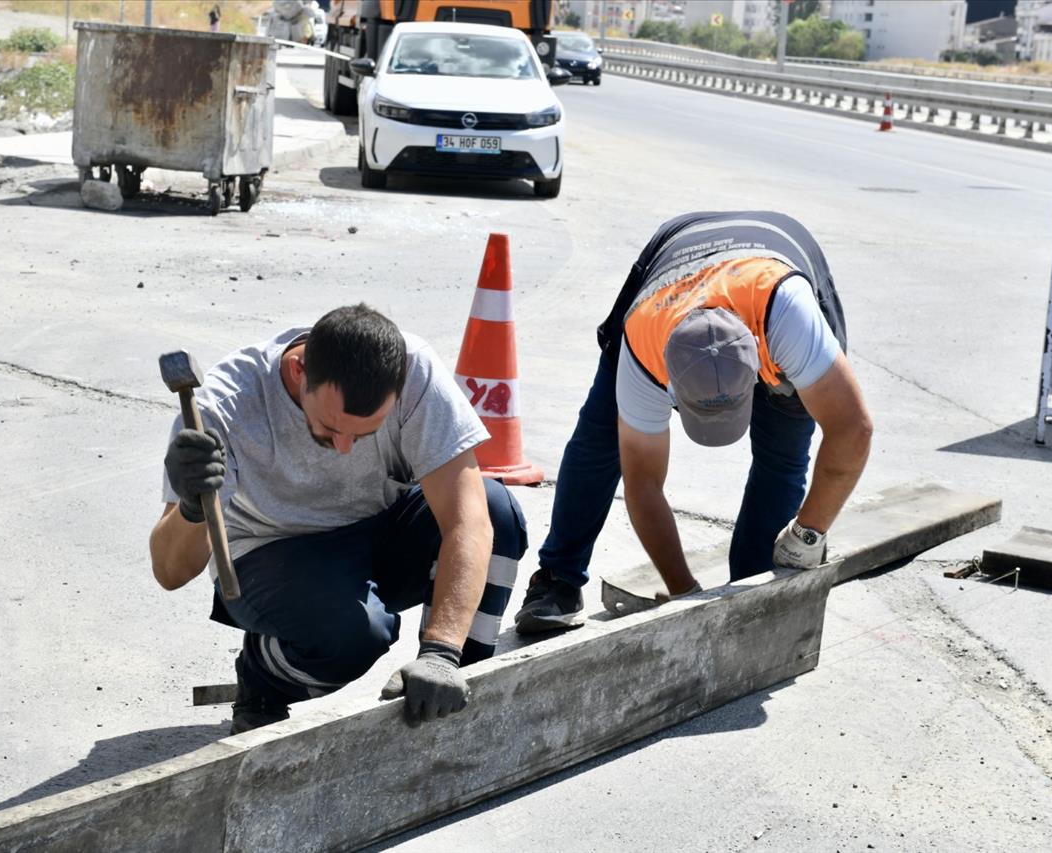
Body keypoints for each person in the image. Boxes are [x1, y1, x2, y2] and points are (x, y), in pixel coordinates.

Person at [150, 305, 526, 731]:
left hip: (375, 527)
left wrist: (442, 652)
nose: (345, 447)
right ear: (298, 371)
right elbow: (170, 571)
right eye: (330, 428)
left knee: (498, 512)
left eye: (364, 433)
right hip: (271, 553)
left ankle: (456, 690)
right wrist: (192, 508)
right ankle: (263, 677)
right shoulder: (221, 409)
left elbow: (468, 519)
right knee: (354, 636)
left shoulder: (414, 371)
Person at [514, 211, 872, 633]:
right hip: (673, 261)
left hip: (776, 258)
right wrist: (685, 593)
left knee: (783, 456)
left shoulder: (791, 323)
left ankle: (757, 587)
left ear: (760, 362)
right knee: (600, 435)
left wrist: (808, 534)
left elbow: (853, 430)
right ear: (670, 384)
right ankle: (558, 577)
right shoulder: (643, 347)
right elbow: (643, 484)